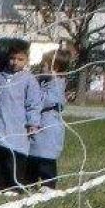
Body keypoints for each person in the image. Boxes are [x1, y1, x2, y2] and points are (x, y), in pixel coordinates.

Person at [0, 38, 41, 194]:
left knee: (14, 158)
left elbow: (33, 104)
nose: (15, 62)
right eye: (12, 58)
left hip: (17, 128)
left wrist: (33, 123)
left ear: (27, 60)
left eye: (20, 59)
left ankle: (15, 186)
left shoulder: (29, 80)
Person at [29, 48, 71, 191]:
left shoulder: (58, 84)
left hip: (49, 127)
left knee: (46, 158)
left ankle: (49, 185)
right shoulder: (42, 81)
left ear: (55, 68)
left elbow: (46, 101)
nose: (42, 66)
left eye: (45, 64)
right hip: (37, 127)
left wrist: (32, 96)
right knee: (33, 157)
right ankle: (31, 182)